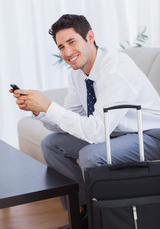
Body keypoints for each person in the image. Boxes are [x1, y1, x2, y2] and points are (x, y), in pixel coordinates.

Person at [10, 14, 160, 229]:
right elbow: (71, 121)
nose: (67, 52)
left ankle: (102, 220)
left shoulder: (115, 69)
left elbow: (97, 133)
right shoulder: (78, 75)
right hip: (115, 132)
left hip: (149, 135)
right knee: (52, 144)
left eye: (72, 42)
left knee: (91, 154)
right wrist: (40, 110)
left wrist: (49, 105)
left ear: (90, 37)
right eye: (61, 46)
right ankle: (83, 212)